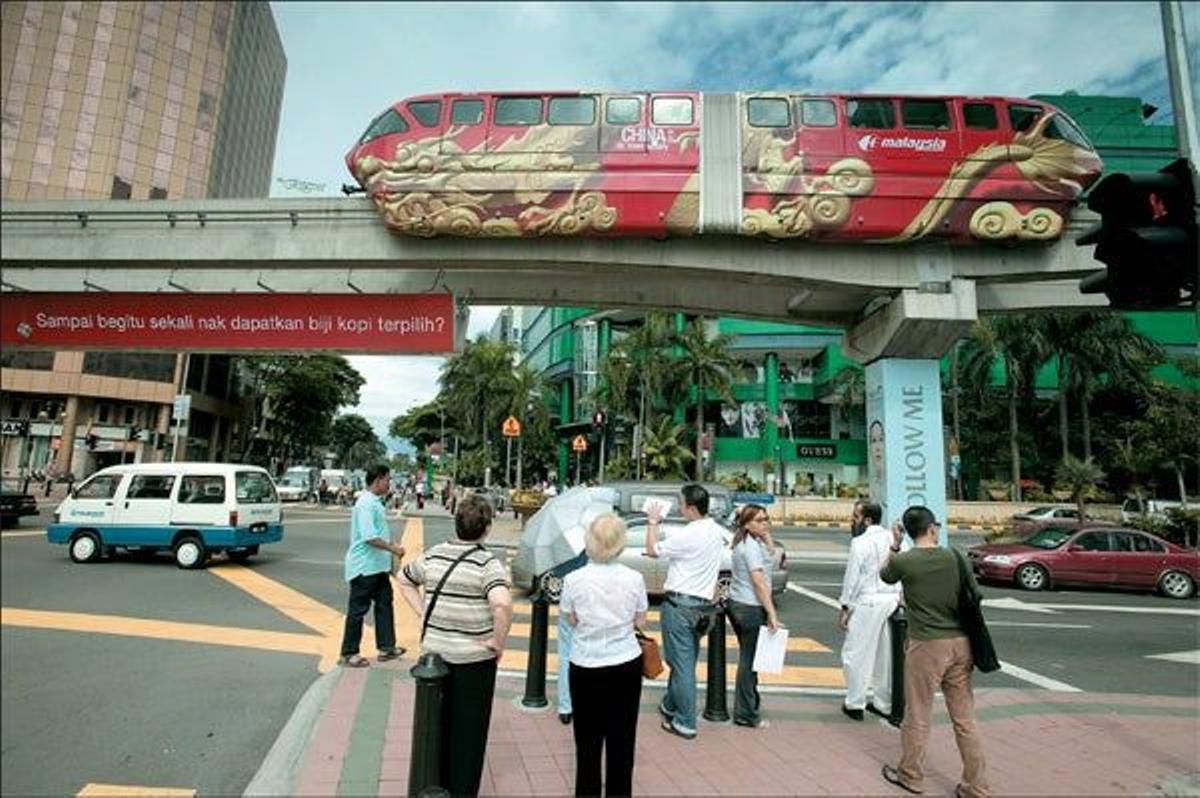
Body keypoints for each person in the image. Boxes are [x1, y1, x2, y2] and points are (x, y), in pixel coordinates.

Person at [397, 494, 513, 797]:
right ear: (487, 528)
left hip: (433, 660)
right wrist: (497, 643)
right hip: (474, 662)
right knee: (468, 737)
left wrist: (423, 611)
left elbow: (404, 577)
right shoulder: (487, 563)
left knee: (436, 731)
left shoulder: (434, 555)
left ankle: (436, 788)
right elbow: (501, 605)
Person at [879, 505, 989, 798]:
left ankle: (911, 775)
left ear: (909, 531)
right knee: (965, 719)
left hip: (926, 645)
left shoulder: (905, 561)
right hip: (961, 643)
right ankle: (976, 787)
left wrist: (894, 542)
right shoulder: (954, 557)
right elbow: (974, 595)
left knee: (918, 713)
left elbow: (884, 575)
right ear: (931, 528)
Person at [560, 513, 648, 796]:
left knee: (587, 741)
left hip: (585, 663)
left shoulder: (573, 579)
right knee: (622, 740)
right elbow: (640, 621)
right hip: (625, 663)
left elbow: (571, 619)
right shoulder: (635, 578)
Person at [645, 483, 725, 740]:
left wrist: (653, 522)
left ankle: (685, 722)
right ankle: (670, 705)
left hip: (680, 607)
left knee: (681, 667)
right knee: (685, 661)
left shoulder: (688, 534)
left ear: (691, 508)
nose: (679, 507)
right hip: (704, 609)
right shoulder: (715, 530)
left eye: (681, 503)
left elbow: (652, 550)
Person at [837, 500, 903, 722]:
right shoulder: (894, 538)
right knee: (884, 656)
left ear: (867, 520)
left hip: (868, 602)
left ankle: (854, 703)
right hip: (892, 602)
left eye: (855, 516)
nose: (852, 521)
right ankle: (883, 703)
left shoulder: (860, 542)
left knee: (854, 654)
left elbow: (852, 578)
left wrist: (845, 606)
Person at [338, 463, 405, 668]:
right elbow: (369, 537)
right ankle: (349, 653)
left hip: (377, 567)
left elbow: (377, 534)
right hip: (364, 567)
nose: (389, 483)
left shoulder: (375, 502)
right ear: (378, 481)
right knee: (358, 610)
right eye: (388, 479)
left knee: (385, 603)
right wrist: (392, 549)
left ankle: (386, 647)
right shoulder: (366, 503)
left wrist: (389, 550)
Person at [727, 503, 781, 729]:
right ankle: (745, 714)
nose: (765, 523)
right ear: (747, 524)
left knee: (751, 660)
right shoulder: (749, 548)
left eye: (766, 519)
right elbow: (759, 583)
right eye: (759, 520)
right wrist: (771, 612)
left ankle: (749, 706)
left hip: (741, 604)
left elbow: (770, 558)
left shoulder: (749, 542)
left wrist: (767, 535)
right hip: (749, 607)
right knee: (749, 663)